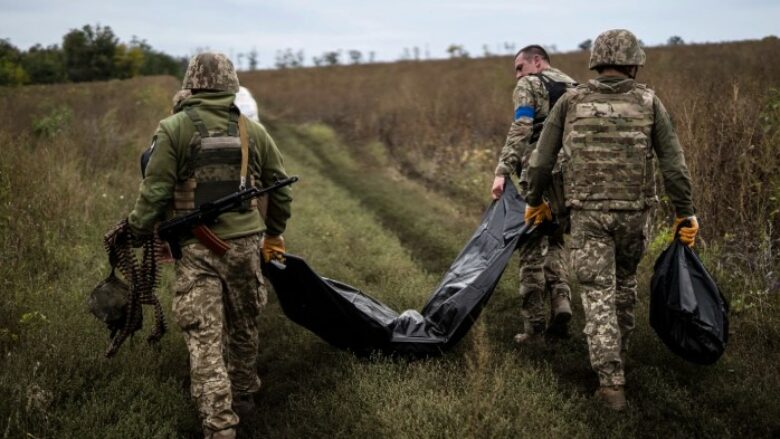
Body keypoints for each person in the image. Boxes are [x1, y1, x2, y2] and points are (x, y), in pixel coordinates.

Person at [523, 29, 698, 410]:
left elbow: (540, 161)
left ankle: (610, 381)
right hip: (635, 215)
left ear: (596, 61)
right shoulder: (650, 103)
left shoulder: (570, 101)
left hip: (587, 215)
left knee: (597, 291)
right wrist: (686, 212)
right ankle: (618, 360)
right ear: (634, 62)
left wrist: (533, 200)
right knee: (624, 286)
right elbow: (674, 164)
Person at [127, 52, 293, 438]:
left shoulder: (173, 129)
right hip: (245, 247)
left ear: (192, 84)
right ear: (231, 85)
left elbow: (154, 192)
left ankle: (219, 425)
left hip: (197, 251)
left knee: (204, 336)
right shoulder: (254, 131)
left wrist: (137, 230)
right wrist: (274, 233)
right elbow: (280, 191)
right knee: (244, 323)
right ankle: (245, 395)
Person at [490, 45, 577, 344]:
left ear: (537, 62)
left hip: (539, 176)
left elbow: (522, 127)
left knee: (529, 246)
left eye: (519, 67)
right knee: (555, 240)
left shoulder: (529, 84)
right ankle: (562, 301)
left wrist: (502, 170)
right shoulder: (575, 87)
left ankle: (534, 329)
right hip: (572, 180)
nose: (517, 76)